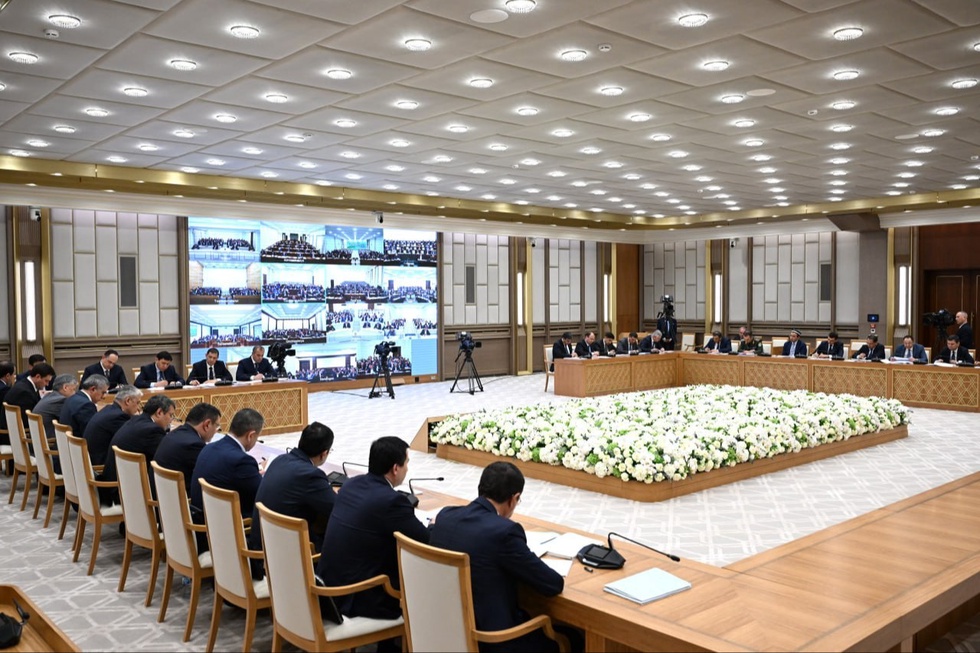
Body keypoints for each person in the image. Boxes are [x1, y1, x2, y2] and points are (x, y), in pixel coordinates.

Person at [429, 462, 564, 653]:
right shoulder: (505, 532)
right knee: (569, 638)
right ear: (514, 499)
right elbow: (552, 584)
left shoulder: (445, 516)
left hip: (443, 631)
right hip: (491, 641)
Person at [317, 436, 429, 623]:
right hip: (358, 598)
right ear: (395, 468)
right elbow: (424, 540)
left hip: (328, 587)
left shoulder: (351, 484)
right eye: (407, 463)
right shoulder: (392, 501)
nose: (407, 469)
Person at [248, 421, 336, 579]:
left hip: (261, 549)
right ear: (324, 454)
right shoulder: (311, 475)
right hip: (283, 561)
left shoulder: (279, 460)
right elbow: (336, 509)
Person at [190, 408, 265, 551]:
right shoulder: (242, 461)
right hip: (225, 539)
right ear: (251, 435)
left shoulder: (208, 448)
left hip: (202, 526)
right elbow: (263, 495)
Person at [100, 394, 176, 505]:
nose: (171, 420)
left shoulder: (136, 420)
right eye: (171, 415)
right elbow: (165, 458)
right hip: (124, 493)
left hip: (115, 486)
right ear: (159, 412)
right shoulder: (152, 430)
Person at [152, 402, 221, 493]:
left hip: (161, 494)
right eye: (217, 426)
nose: (216, 431)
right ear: (207, 424)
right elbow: (210, 477)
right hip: (179, 499)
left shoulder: (174, 433)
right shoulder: (194, 445)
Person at [83, 385, 141, 467]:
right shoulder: (118, 417)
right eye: (137, 403)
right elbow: (131, 440)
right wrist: (137, 419)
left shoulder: (109, 409)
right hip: (100, 463)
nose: (138, 408)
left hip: (91, 458)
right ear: (127, 401)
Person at [60, 375, 110, 445]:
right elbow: (91, 434)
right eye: (103, 392)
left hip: (67, 444)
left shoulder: (72, 398)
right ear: (93, 389)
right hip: (78, 446)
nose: (104, 397)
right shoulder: (86, 406)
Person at [5, 363, 56, 428]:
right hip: (18, 429)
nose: (47, 384)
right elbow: (28, 419)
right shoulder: (25, 392)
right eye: (46, 381)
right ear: (38, 377)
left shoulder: (24, 384)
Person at [33, 373, 78, 438]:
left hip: (39, 437)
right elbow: (73, 419)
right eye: (74, 389)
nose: (75, 393)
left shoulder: (49, 396)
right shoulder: (61, 400)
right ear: (65, 387)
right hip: (50, 439)